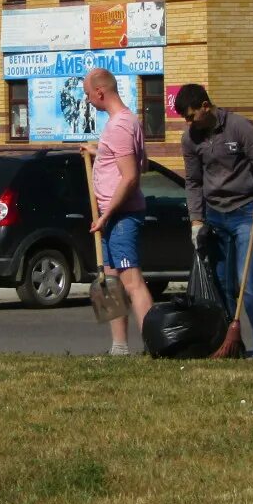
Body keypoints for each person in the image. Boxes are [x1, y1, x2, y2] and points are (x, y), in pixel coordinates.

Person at [173, 83, 253, 358]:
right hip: (215, 216)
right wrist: (196, 220)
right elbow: (193, 182)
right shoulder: (190, 139)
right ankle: (233, 345)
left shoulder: (238, 127)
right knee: (223, 284)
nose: (189, 122)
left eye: (191, 115)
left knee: (247, 282)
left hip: (245, 212)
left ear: (206, 106)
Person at [80, 68, 153, 355]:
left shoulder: (121, 125)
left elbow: (131, 175)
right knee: (109, 282)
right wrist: (99, 152)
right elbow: (135, 162)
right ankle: (119, 347)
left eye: (87, 94)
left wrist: (107, 214)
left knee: (131, 281)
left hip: (121, 216)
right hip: (110, 215)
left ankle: (153, 344)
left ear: (100, 91)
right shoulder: (123, 123)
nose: (87, 100)